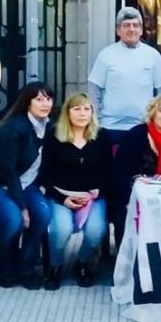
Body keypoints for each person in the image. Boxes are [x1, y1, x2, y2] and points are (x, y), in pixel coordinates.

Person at [0, 82, 54, 290]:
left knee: (43, 214)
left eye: (48, 99)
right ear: (27, 102)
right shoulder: (14, 127)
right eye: (38, 99)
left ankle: (26, 266)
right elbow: (8, 171)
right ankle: (4, 265)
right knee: (14, 219)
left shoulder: (48, 126)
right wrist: (22, 207)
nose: (45, 104)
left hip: (26, 185)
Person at [37, 93, 110, 290]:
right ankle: (55, 266)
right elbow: (44, 173)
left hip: (92, 197)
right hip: (62, 195)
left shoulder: (101, 136)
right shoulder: (54, 135)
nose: (82, 113)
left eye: (87, 109)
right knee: (61, 230)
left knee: (96, 231)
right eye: (77, 109)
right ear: (67, 112)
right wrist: (63, 198)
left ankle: (83, 263)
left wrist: (98, 190)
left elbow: (108, 171)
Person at [87, 6, 161, 147]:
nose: (131, 29)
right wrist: (97, 120)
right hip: (111, 128)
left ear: (141, 30)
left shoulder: (153, 55)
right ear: (118, 30)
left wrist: (158, 118)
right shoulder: (106, 55)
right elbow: (93, 89)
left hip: (143, 126)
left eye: (135, 25)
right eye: (126, 25)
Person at [111, 93, 161, 245]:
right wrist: (133, 188)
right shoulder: (136, 134)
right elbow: (119, 172)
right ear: (153, 112)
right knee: (123, 214)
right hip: (133, 195)